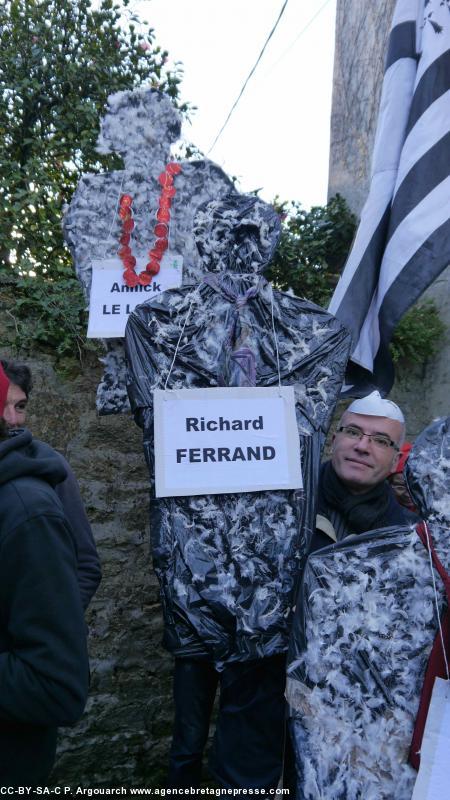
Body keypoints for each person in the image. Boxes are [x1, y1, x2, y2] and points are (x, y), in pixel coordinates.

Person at [0, 363, 89, 786]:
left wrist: (57, 612)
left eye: (20, 407)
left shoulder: (27, 507)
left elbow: (56, 685)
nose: (14, 418)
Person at [1, 358, 101, 609]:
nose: (13, 419)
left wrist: (60, 625)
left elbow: (87, 565)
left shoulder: (50, 466)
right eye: (3, 405)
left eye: (20, 406)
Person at [312, 391, 418, 551]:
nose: (362, 447)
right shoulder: (286, 502)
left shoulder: (411, 536)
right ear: (334, 442)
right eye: (353, 432)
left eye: (381, 441)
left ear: (395, 461)